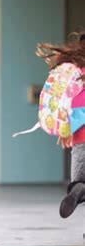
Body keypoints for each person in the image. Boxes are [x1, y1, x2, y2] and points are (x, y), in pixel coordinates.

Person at [37, 32, 85, 218]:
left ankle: (78, 190)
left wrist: (65, 131)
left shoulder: (73, 72)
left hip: (80, 134)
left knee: (80, 180)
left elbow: (67, 103)